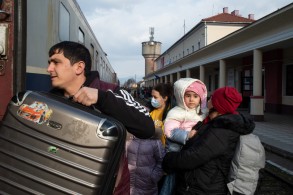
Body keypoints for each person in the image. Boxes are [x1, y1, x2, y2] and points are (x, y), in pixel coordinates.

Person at [47, 41, 155, 195]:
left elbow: (147, 127)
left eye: (56, 62)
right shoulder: (48, 100)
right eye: (49, 62)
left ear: (79, 67)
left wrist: (102, 99)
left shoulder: (111, 92)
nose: (49, 69)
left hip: (109, 189)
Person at [162, 86, 255, 194]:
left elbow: (194, 156)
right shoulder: (214, 122)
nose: (208, 100)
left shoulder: (222, 130)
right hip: (198, 184)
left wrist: (168, 159)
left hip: (202, 189)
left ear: (218, 104)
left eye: (212, 99)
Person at [160, 78, 208, 194]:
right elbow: (169, 130)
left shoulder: (202, 112)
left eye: (195, 96)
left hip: (193, 150)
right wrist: (186, 135)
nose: (192, 99)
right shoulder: (176, 112)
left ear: (200, 98)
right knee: (172, 178)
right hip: (177, 150)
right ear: (181, 96)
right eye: (188, 96)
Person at [125, 83, 173, 194]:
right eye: (152, 96)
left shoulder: (171, 115)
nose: (152, 99)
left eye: (155, 97)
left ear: (165, 98)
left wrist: (155, 175)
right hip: (147, 162)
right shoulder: (149, 111)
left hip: (162, 162)